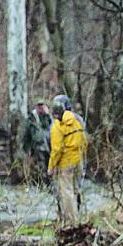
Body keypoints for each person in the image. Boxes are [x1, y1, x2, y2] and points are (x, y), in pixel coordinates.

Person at [47, 94, 86, 227]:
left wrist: (51, 167)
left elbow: (56, 149)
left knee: (66, 193)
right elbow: (84, 140)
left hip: (65, 163)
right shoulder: (78, 120)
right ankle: (78, 218)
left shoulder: (57, 126)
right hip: (78, 160)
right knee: (76, 190)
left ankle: (71, 223)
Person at [24, 101, 53, 173]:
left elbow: (50, 127)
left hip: (49, 146)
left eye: (42, 105)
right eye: (39, 105)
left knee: (49, 165)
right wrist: (27, 149)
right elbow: (27, 135)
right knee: (40, 167)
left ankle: (48, 180)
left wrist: (47, 114)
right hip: (37, 147)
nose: (40, 107)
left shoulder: (47, 117)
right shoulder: (31, 119)